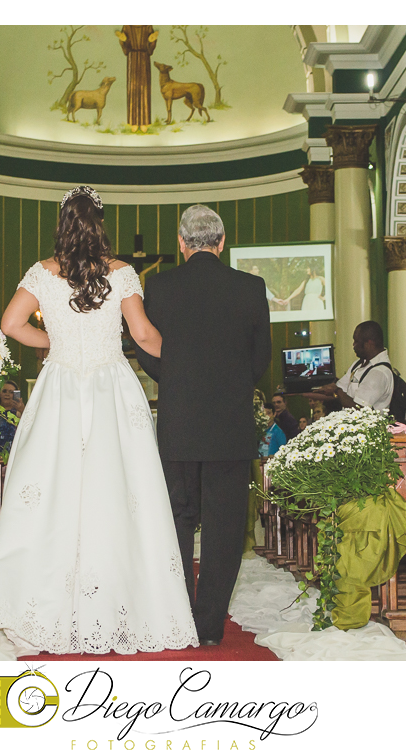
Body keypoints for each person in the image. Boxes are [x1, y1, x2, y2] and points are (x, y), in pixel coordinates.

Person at [0, 185, 198, 654]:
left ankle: (43, 610)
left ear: (62, 224)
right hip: (110, 388)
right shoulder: (121, 273)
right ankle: (124, 605)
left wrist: (55, 343)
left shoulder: (43, 273)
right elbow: (142, 335)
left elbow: (10, 325)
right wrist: (190, 360)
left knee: (53, 493)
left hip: (60, 389)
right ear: (100, 225)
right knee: (119, 492)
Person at [135, 203, 272, 647]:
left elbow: (147, 353)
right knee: (224, 527)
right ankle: (209, 626)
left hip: (178, 423)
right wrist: (231, 388)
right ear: (222, 240)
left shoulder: (159, 286)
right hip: (230, 425)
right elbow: (261, 359)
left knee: (177, 517)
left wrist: (175, 383)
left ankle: (177, 618)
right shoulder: (251, 287)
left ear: (181, 242)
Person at [306, 321, 394, 412]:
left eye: (356, 341)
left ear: (369, 344)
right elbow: (336, 392)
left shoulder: (379, 373)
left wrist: (337, 391)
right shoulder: (358, 364)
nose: (353, 345)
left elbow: (359, 408)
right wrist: (302, 391)